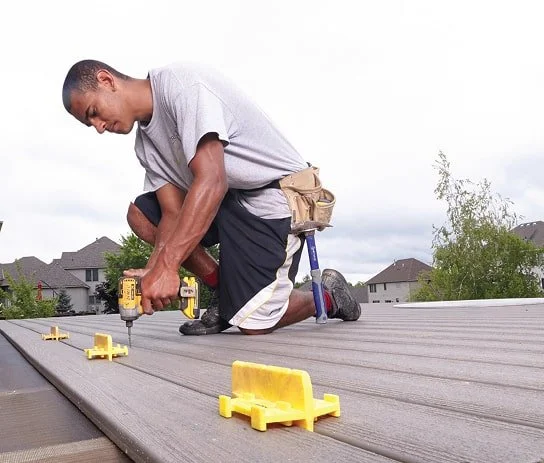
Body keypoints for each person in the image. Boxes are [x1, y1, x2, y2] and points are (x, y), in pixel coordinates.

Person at [62, 59, 361, 335]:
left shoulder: (184, 88)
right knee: (141, 214)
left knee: (253, 325)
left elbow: (213, 180)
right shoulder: (145, 145)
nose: (99, 128)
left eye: (94, 113)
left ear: (106, 80)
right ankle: (224, 290)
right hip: (228, 200)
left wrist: (168, 267)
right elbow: (171, 213)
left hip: (273, 196)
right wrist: (155, 269)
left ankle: (327, 295)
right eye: (91, 124)